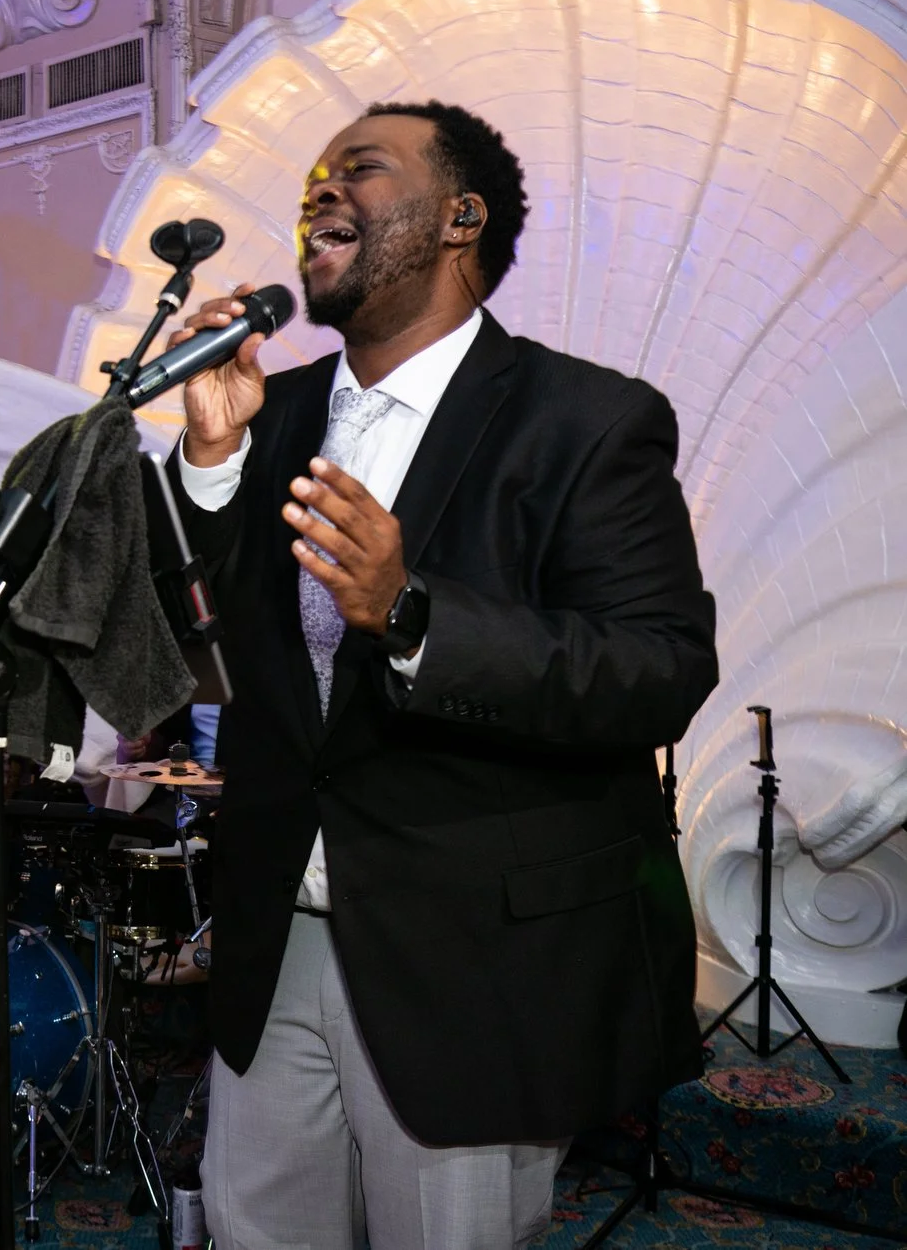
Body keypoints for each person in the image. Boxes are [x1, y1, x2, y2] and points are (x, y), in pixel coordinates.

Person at [167, 101, 718, 1249]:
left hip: (469, 964)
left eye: (358, 170)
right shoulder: (277, 419)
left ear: (459, 217)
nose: (321, 188)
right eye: (315, 174)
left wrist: (411, 615)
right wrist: (210, 468)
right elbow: (203, 643)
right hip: (276, 941)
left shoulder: (587, 420)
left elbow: (659, 667)